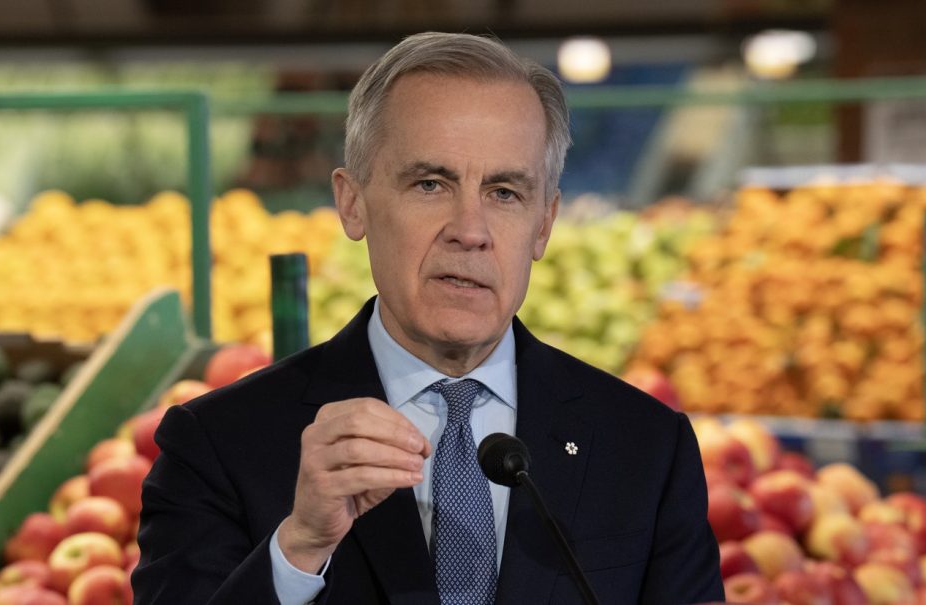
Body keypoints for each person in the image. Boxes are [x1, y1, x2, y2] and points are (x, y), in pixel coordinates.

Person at [134, 31, 724, 604]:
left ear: (544, 224)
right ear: (352, 203)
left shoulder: (647, 447)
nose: (469, 231)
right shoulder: (215, 444)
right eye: (430, 184)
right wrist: (300, 548)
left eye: (504, 193)